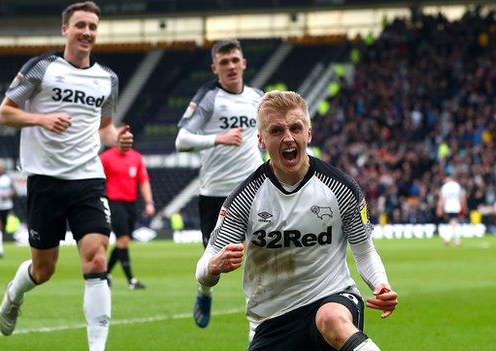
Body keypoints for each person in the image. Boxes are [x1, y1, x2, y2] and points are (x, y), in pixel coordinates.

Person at [195, 91, 398, 350]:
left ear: (308, 134)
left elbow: (365, 251)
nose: (288, 138)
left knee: (331, 319)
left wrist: (381, 284)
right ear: (261, 140)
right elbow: (202, 271)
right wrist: (213, 266)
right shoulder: (244, 198)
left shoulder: (341, 188)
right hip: (271, 320)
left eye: (295, 128)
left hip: (331, 298)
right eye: (276, 130)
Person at [0, 2, 132, 351]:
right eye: (80, 25)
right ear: (65, 30)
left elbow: (104, 129)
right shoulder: (42, 68)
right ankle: (14, 293)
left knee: (97, 258)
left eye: (92, 27)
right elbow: (5, 113)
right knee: (43, 271)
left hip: (88, 178)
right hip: (45, 180)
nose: (87, 32)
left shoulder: (108, 79)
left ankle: (97, 347)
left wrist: (118, 138)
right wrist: (42, 119)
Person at [175, 39, 264, 328]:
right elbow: (181, 140)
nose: (231, 66)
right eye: (224, 62)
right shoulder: (209, 97)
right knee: (211, 268)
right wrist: (218, 138)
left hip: (254, 190)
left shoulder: (258, 97)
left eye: (235, 60)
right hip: (215, 195)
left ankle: (260, 324)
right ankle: (204, 293)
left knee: (262, 258)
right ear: (215, 68)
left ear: (244, 63)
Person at [100, 146, 154, 289]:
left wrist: (149, 202)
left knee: (123, 241)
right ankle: (131, 280)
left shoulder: (136, 157)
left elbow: (143, 181)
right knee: (123, 240)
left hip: (131, 203)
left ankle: (105, 274)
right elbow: (97, 179)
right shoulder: (105, 157)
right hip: (114, 202)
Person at [436, 176, 467, 247]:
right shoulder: (457, 186)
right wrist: (464, 206)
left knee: (453, 223)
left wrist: (439, 208)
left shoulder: (445, 187)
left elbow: (441, 199)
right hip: (456, 206)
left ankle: (451, 239)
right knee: (453, 223)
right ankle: (453, 240)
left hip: (447, 207)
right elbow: (462, 197)